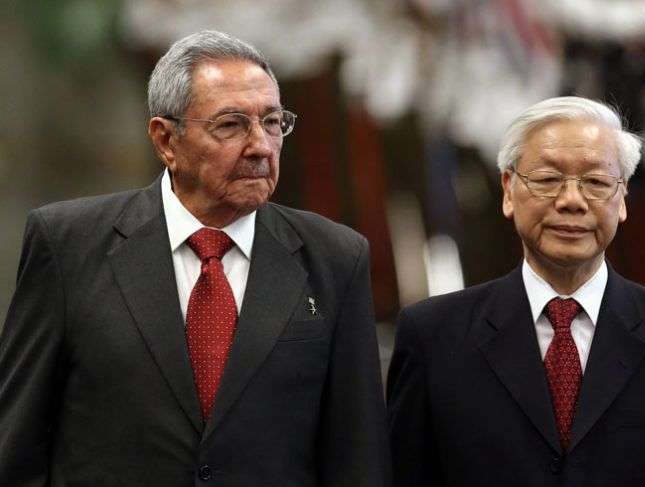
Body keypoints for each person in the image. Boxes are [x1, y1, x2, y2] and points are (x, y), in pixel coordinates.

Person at [0, 30, 390, 486]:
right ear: (166, 140)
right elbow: (16, 443)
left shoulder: (335, 257)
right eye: (231, 124)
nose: (261, 146)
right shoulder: (69, 244)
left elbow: (358, 456)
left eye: (271, 122)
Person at [387, 96, 645, 486]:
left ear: (623, 197)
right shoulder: (433, 336)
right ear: (509, 190)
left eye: (595, 182)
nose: (572, 201)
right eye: (547, 180)